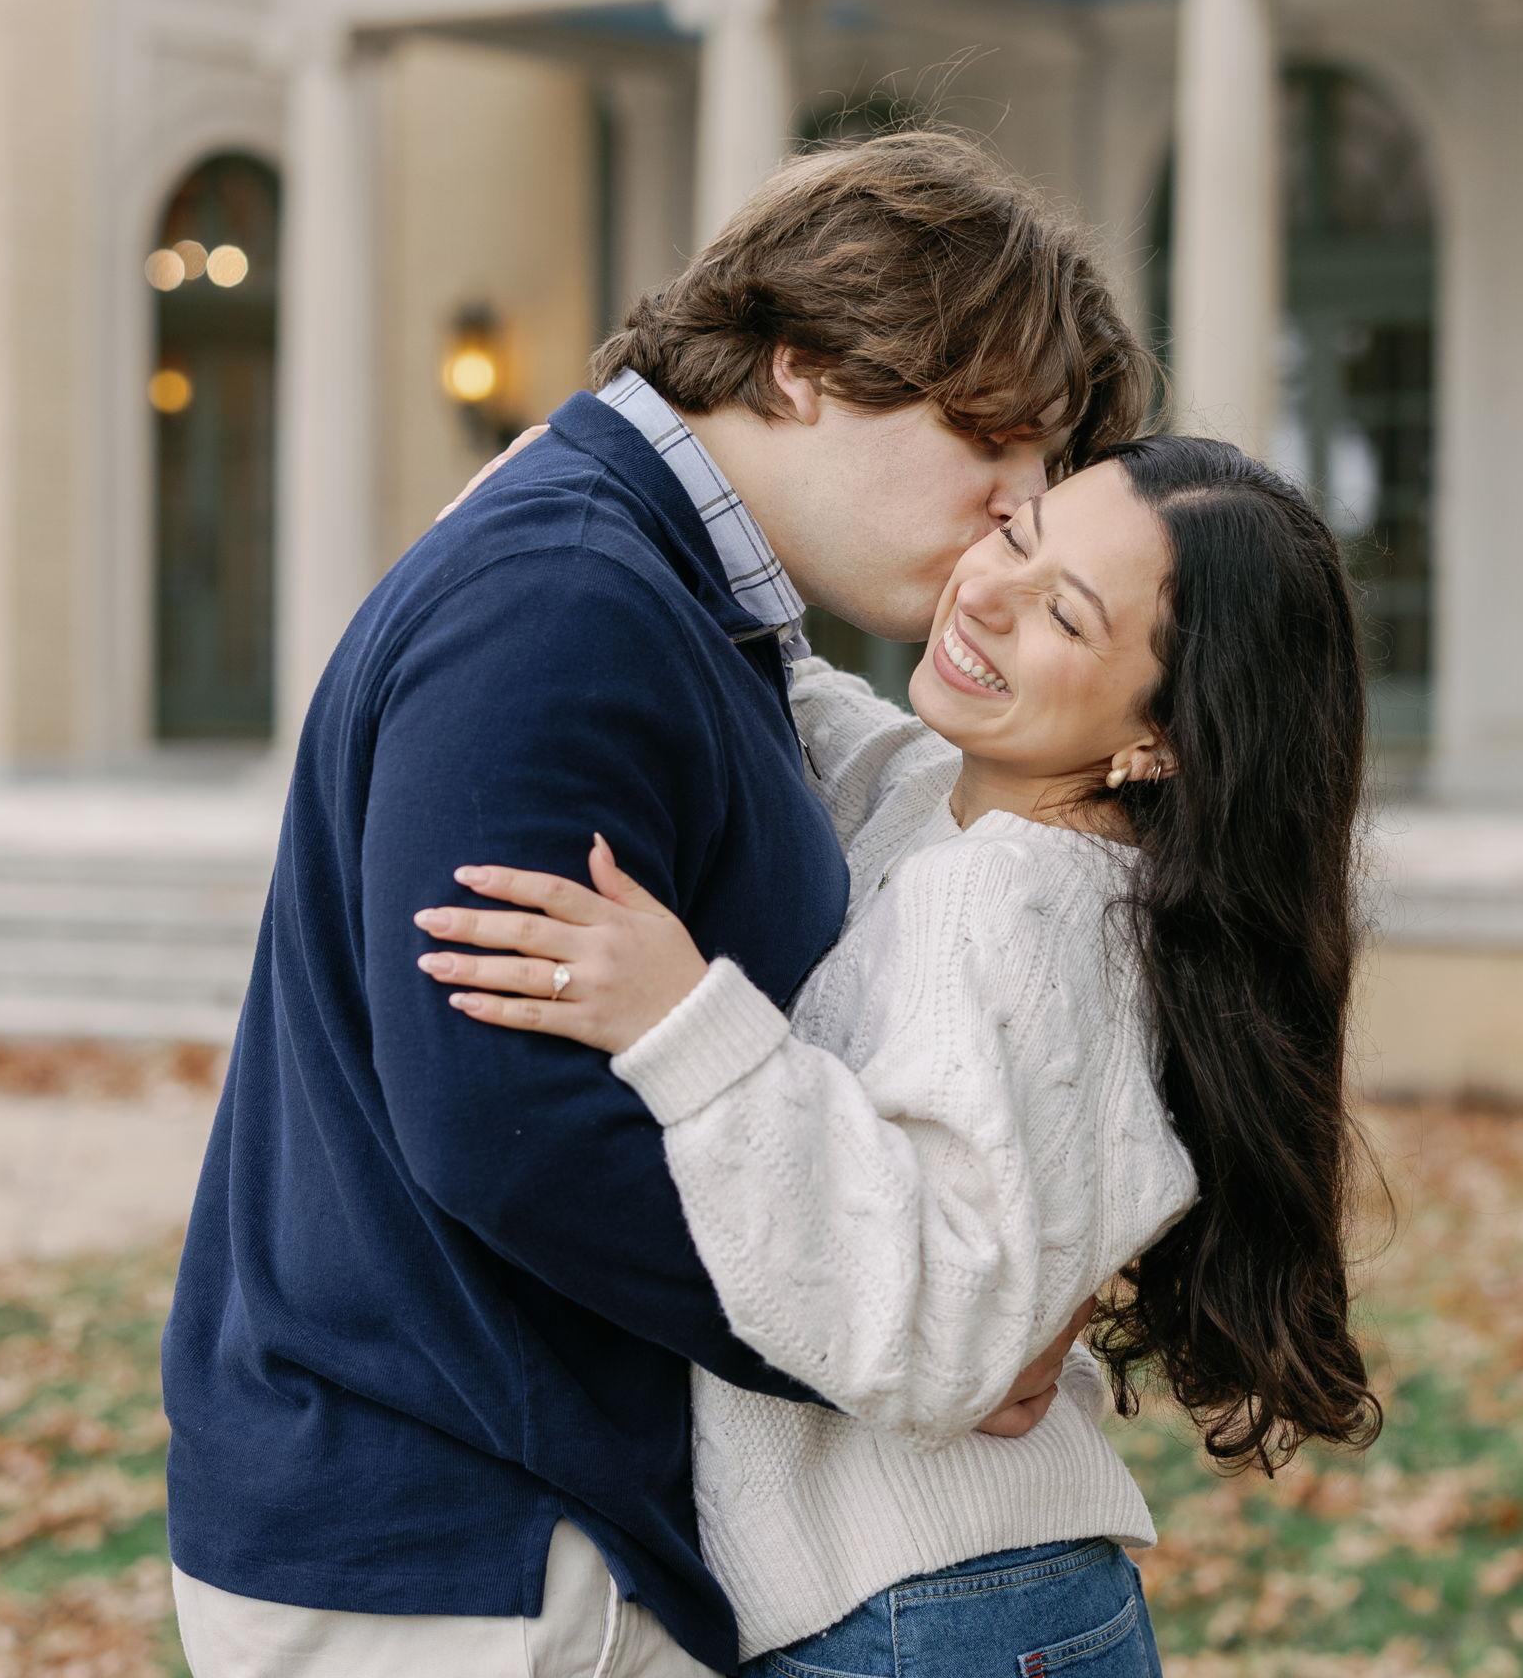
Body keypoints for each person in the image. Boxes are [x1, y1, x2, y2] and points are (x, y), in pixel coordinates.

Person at [161, 128, 1155, 1678]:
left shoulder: (658, 586)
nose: (1007, 519)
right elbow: (509, 1123)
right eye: (998, 451)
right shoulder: (565, 596)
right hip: (462, 1542)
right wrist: (910, 1352)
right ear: (809, 364)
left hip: (499, 1515)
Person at [419, 434, 1386, 1676]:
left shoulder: (1013, 903)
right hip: (947, 1600)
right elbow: (807, 704)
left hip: (925, 1614)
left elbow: (923, 1326)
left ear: (1164, 741)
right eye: (1017, 539)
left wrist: (681, 1021)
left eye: (1063, 616)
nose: (985, 593)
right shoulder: (972, 813)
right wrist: (558, 500)